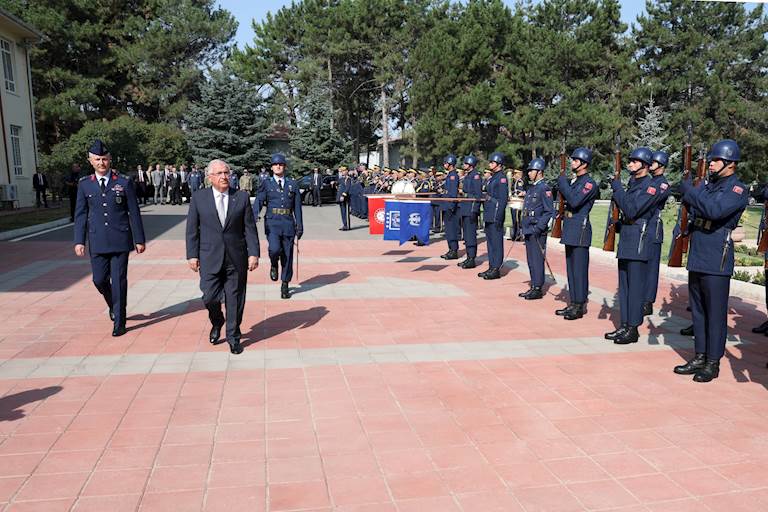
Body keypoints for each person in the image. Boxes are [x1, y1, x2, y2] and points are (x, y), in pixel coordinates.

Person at [673, 139, 748, 382]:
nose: (712, 164)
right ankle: (700, 355)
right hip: (699, 250)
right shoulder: (708, 185)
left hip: (717, 254)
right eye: (712, 160)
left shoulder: (737, 189)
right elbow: (698, 210)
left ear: (730, 164)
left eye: (716, 160)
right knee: (698, 311)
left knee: (715, 313)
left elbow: (715, 211)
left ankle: (713, 362)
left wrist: (691, 193)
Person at [186, 159, 260, 355]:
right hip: (209, 257)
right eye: (219, 173)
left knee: (235, 298)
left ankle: (233, 336)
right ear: (210, 177)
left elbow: (250, 229)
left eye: (226, 173)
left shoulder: (241, 197)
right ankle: (217, 321)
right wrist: (192, 255)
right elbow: (192, 230)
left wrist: (254, 253)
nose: (224, 177)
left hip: (236, 257)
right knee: (209, 297)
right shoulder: (199, 198)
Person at [73, 140, 146, 337]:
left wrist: (139, 239)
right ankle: (113, 304)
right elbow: (80, 214)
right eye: (97, 159)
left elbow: (134, 212)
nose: (102, 163)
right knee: (99, 280)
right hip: (97, 240)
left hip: (120, 239)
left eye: (105, 159)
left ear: (110, 159)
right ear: (90, 161)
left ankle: (120, 322)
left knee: (120, 280)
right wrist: (79, 240)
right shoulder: (84, 184)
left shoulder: (123, 182)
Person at [604, 147, 658, 344]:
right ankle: (625, 325)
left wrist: (617, 189)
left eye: (634, 161)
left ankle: (633, 328)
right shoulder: (634, 183)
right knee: (625, 286)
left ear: (644, 165)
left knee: (635, 288)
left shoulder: (650, 187)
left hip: (639, 241)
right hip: (628, 237)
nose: (630, 164)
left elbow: (632, 209)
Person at [556, 148, 599, 320]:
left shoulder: (589, 183)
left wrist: (563, 183)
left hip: (580, 229)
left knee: (579, 269)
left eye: (575, 160)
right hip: (570, 227)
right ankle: (573, 302)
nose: (572, 162)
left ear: (584, 163)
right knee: (571, 269)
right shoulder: (576, 182)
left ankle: (579, 305)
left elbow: (574, 201)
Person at [255, 154, 303, 299]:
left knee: (288, 255)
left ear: (284, 167)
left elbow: (297, 207)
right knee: (274, 249)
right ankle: (274, 264)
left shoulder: (292, 184)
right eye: (276, 164)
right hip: (272, 222)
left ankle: (285, 284)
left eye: (281, 164)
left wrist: (299, 225)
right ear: (271, 167)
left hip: (288, 222)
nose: (278, 166)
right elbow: (259, 200)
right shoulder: (266, 183)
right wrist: (253, 215)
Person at [519, 158, 555, 299]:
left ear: (539, 172)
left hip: (536, 229)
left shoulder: (544, 188)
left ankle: (538, 287)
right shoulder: (532, 187)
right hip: (529, 227)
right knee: (530, 259)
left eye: (531, 171)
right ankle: (534, 285)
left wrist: (539, 227)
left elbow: (549, 211)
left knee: (537, 259)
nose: (529, 173)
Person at [643, 150, 671, 316]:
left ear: (660, 165)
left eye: (652, 162)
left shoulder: (662, 184)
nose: (649, 164)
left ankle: (648, 301)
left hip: (653, 228)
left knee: (651, 268)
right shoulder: (649, 181)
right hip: (644, 228)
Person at [478, 152, 508, 279]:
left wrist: (499, 216)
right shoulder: (493, 177)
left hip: (495, 213)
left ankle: (496, 268)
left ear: (499, 164)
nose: (490, 164)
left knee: (496, 242)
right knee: (490, 242)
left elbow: (503, 199)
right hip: (489, 212)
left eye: (492, 162)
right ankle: (491, 266)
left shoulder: (501, 178)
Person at [457, 155, 482, 269]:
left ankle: (472, 258)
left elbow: (477, 195)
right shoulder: (468, 175)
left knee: (471, 235)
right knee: (466, 235)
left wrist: (474, 210)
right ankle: (468, 257)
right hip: (465, 208)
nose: (464, 165)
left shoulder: (476, 176)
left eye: (466, 164)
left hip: (470, 209)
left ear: (470, 164)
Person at [440, 155, 460, 260]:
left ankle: (454, 250)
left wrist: (451, 205)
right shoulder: (449, 175)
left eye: (445, 163)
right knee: (448, 229)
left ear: (450, 163)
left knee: (451, 228)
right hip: (446, 204)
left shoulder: (453, 176)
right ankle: (451, 249)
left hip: (450, 205)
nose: (444, 165)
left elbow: (452, 193)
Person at [337, 165, 351, 230]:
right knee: (342, 211)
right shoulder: (341, 178)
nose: (342, 172)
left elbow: (347, 188)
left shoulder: (347, 179)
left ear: (346, 171)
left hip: (344, 197)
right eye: (341, 171)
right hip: (340, 197)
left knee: (345, 212)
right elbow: (339, 186)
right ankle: (344, 225)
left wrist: (343, 195)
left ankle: (346, 225)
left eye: (343, 171)